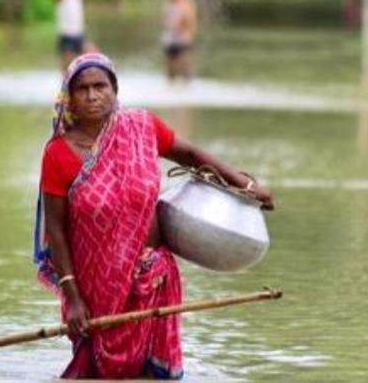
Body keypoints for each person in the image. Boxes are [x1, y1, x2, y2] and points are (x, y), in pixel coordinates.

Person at [33, 53, 274, 379]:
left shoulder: (141, 128)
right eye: (82, 89)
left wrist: (244, 184)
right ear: (69, 99)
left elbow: (190, 155)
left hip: (152, 277)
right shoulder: (58, 154)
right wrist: (73, 298)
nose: (92, 96)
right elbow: (57, 231)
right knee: (96, 367)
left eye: (100, 86)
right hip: (95, 288)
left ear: (114, 90)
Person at [162, 0, 198, 81]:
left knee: (185, 70)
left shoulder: (188, 3)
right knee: (170, 72)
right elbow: (166, 20)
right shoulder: (168, 3)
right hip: (171, 38)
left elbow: (191, 22)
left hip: (184, 39)